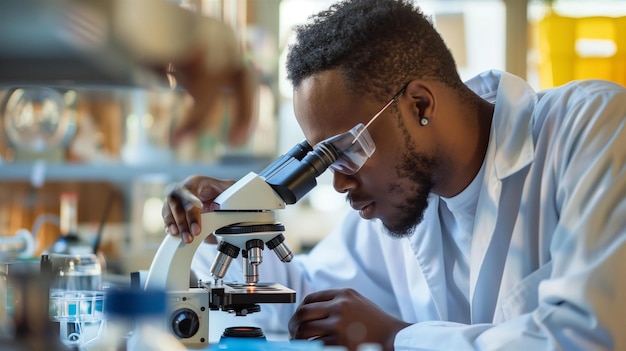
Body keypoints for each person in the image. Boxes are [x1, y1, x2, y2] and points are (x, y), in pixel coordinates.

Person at [161, 0, 626, 350]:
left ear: (419, 105)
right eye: (321, 158)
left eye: (345, 151)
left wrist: (399, 338)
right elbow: (309, 303)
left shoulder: (594, 129)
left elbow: (588, 334)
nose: (339, 182)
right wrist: (224, 222)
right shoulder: (403, 195)